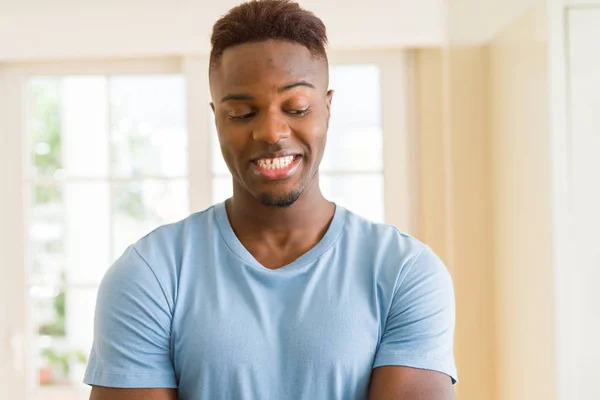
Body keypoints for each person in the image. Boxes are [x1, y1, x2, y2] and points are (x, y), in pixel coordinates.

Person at [84, 1, 458, 399]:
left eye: (296, 107)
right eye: (243, 113)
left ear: (327, 109)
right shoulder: (150, 275)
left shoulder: (405, 273)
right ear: (216, 118)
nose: (271, 131)